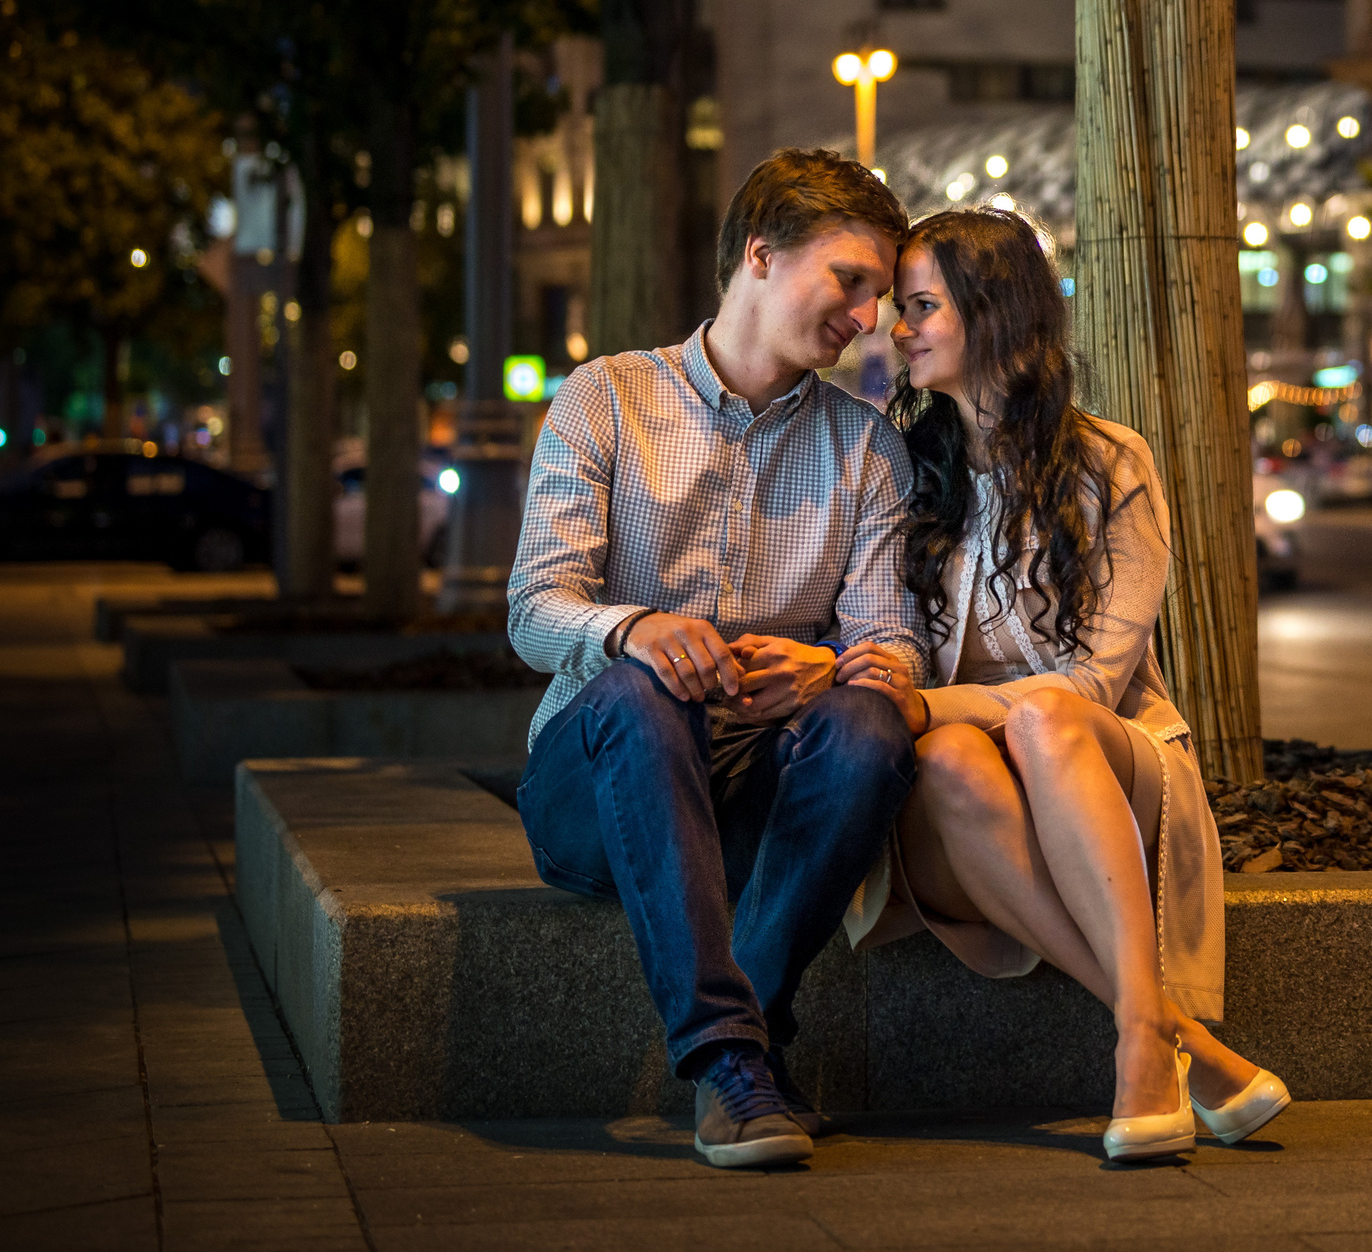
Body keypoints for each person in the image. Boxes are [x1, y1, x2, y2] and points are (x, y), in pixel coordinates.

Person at [835, 208, 1289, 1163]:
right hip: (960, 786)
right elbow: (894, 648)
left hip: (1105, 755)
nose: (895, 328)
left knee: (1045, 712)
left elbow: (1092, 681)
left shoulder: (1111, 461)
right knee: (953, 756)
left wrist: (928, 703)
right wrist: (911, 699)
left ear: (994, 313)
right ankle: (1172, 1040)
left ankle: (1140, 1043)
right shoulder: (897, 464)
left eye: (921, 306)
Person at [507, 148, 924, 1170]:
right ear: (762, 254)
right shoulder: (603, 398)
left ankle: (739, 1053)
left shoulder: (867, 449)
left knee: (869, 723)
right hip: (597, 787)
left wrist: (827, 667)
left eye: (880, 294)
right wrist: (633, 627)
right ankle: (734, 1056)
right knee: (640, 689)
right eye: (851, 281)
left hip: (756, 799)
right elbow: (533, 607)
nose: (867, 317)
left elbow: (890, 647)